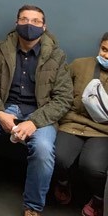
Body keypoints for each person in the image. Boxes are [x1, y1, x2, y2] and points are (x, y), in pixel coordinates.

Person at [0, 5, 73, 216]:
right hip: (6, 106)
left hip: (39, 112)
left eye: (35, 21)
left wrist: (34, 121)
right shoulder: (3, 49)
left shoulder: (56, 55)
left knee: (43, 149)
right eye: (24, 19)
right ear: (16, 23)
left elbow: (64, 98)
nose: (29, 24)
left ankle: (32, 207)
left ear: (44, 27)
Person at [52, 31, 108, 216]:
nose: (106, 55)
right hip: (72, 123)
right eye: (104, 49)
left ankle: (99, 198)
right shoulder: (79, 65)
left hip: (102, 131)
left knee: (93, 166)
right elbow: (60, 94)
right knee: (57, 156)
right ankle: (63, 182)